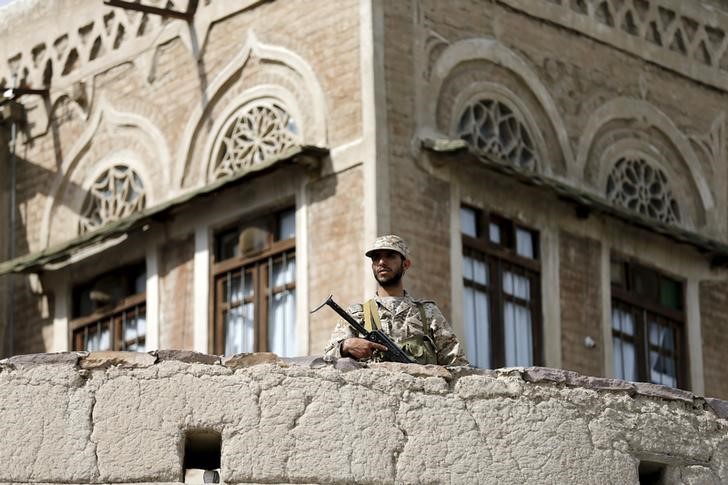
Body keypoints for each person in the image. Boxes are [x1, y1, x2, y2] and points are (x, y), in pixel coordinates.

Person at [324, 235, 469, 366]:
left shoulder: (428, 313)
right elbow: (327, 359)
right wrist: (345, 347)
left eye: (390, 256)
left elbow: (457, 364)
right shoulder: (357, 314)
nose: (381, 262)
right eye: (376, 258)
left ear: (405, 264)